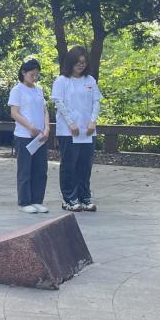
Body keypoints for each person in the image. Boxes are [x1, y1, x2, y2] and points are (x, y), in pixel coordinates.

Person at [51, 46, 103, 212]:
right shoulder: (62, 81)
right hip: (68, 131)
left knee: (85, 165)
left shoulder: (90, 80)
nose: (81, 65)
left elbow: (96, 102)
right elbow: (59, 103)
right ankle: (69, 198)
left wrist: (93, 122)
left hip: (88, 131)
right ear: (70, 62)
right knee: (69, 165)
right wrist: (71, 123)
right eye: (77, 62)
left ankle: (84, 197)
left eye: (83, 62)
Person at [9, 59, 50, 214]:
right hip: (24, 135)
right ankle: (24, 202)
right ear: (24, 73)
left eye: (37, 75)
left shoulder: (39, 90)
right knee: (25, 170)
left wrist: (47, 128)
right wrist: (30, 127)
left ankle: (37, 200)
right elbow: (14, 113)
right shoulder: (17, 90)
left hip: (40, 136)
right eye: (32, 74)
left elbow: (45, 111)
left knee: (40, 169)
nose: (34, 77)